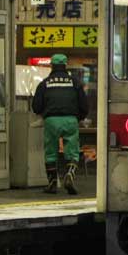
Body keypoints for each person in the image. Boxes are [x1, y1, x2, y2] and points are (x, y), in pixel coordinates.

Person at [32, 53, 89, 194]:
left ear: (52, 65)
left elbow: (36, 106)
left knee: (50, 153)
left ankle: (52, 184)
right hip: (70, 119)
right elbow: (84, 105)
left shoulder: (45, 83)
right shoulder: (74, 82)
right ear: (65, 65)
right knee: (73, 153)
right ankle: (69, 175)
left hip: (51, 120)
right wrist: (79, 117)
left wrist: (44, 113)